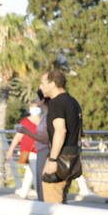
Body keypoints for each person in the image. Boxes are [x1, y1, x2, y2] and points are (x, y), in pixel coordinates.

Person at [39, 69, 83, 204]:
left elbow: (60, 131)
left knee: (53, 204)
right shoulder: (73, 102)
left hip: (60, 159)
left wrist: (52, 160)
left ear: (52, 83)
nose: (41, 87)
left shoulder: (56, 102)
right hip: (73, 157)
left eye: (43, 83)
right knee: (62, 200)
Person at [7, 99, 48, 200]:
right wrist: (11, 150)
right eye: (33, 107)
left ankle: (23, 194)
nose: (35, 109)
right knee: (36, 174)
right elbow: (18, 137)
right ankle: (41, 196)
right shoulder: (25, 121)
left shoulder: (43, 120)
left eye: (37, 107)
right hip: (29, 151)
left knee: (30, 173)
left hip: (40, 150)